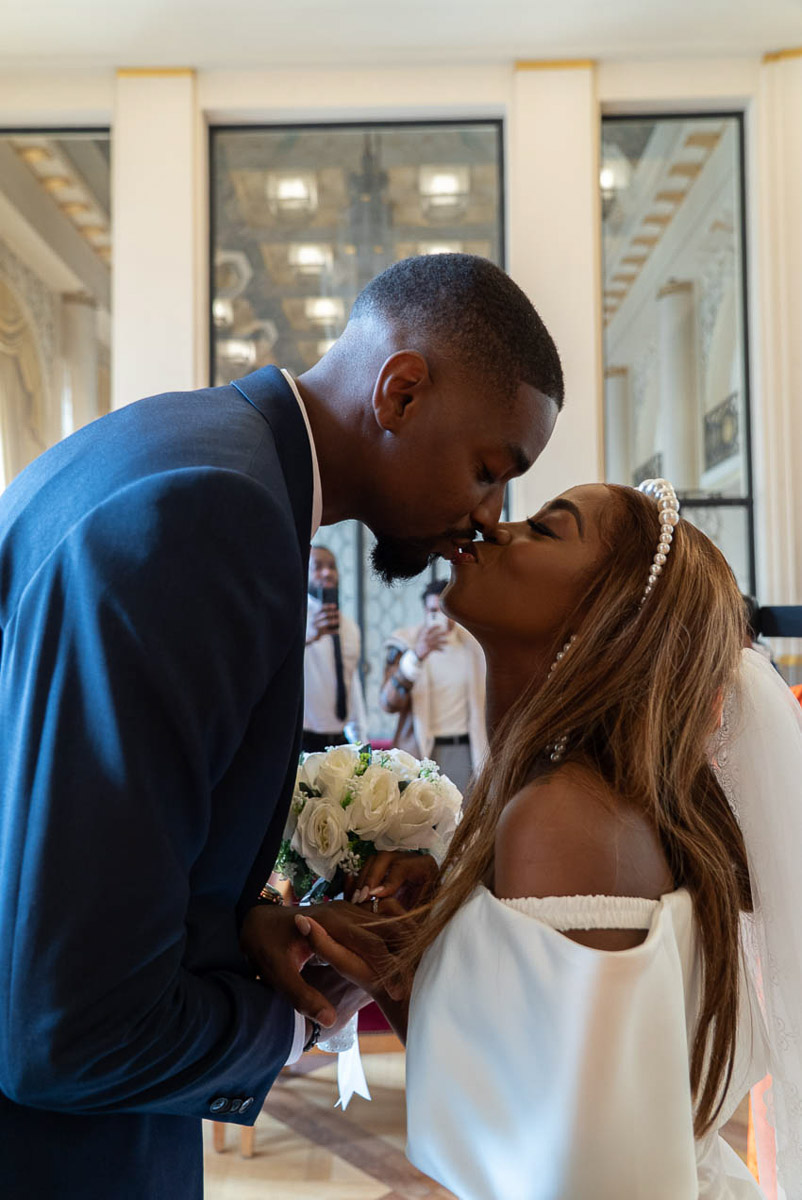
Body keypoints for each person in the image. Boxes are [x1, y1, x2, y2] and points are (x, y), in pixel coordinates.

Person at [0, 253, 563, 1198]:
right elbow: (69, 1029)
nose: (485, 519)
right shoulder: (210, 515)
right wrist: (299, 1016)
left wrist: (241, 923)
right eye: (487, 469)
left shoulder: (179, 445)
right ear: (402, 390)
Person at [299, 477, 802, 1199]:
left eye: (545, 528)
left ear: (608, 617)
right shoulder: (585, 796)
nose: (499, 529)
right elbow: (533, 1091)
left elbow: (555, 1168)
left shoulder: (564, 815)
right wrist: (416, 946)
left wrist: (390, 967)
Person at [380, 578, 485, 794]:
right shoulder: (406, 642)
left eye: (444, 610)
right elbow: (388, 703)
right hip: (420, 749)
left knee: (462, 821)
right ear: (425, 611)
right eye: (432, 610)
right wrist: (416, 656)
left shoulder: (474, 645)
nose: (438, 617)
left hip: (466, 749)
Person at [303, 544, 367, 751]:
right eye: (318, 566)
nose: (327, 572)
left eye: (332, 566)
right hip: (300, 738)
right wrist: (308, 636)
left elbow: (351, 683)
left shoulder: (349, 626)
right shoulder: (293, 620)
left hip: (341, 741)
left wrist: (361, 742)